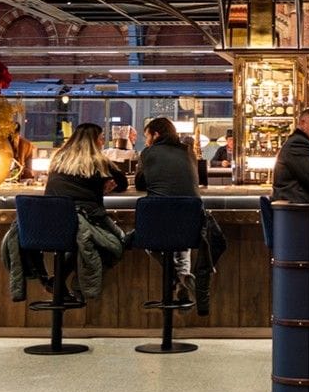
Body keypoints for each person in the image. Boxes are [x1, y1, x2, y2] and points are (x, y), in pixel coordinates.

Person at [39, 122, 128, 302]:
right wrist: (105, 184)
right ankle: (78, 285)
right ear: (95, 140)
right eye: (102, 138)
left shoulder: (58, 157)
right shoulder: (98, 160)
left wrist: (100, 185)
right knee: (118, 240)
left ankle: (59, 281)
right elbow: (123, 183)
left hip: (52, 219)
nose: (103, 142)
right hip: (88, 215)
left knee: (82, 240)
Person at [134, 116, 199, 307]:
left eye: (147, 136)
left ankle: (176, 277)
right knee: (183, 244)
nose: (146, 141)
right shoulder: (189, 152)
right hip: (191, 219)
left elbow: (139, 184)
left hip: (158, 219)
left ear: (156, 135)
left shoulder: (148, 152)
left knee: (147, 242)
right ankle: (183, 278)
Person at [271, 107, 309, 203]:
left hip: (298, 207)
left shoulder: (302, 142)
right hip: (296, 210)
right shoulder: (298, 143)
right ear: (302, 124)